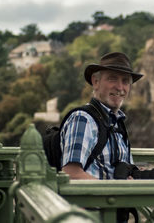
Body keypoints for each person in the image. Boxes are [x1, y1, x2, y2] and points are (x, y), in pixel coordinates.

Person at [60, 52, 143, 180]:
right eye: (112, 78)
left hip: (114, 199)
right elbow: (71, 174)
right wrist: (115, 190)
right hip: (90, 200)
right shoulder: (82, 119)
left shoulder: (118, 124)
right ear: (96, 82)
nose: (120, 87)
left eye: (125, 81)